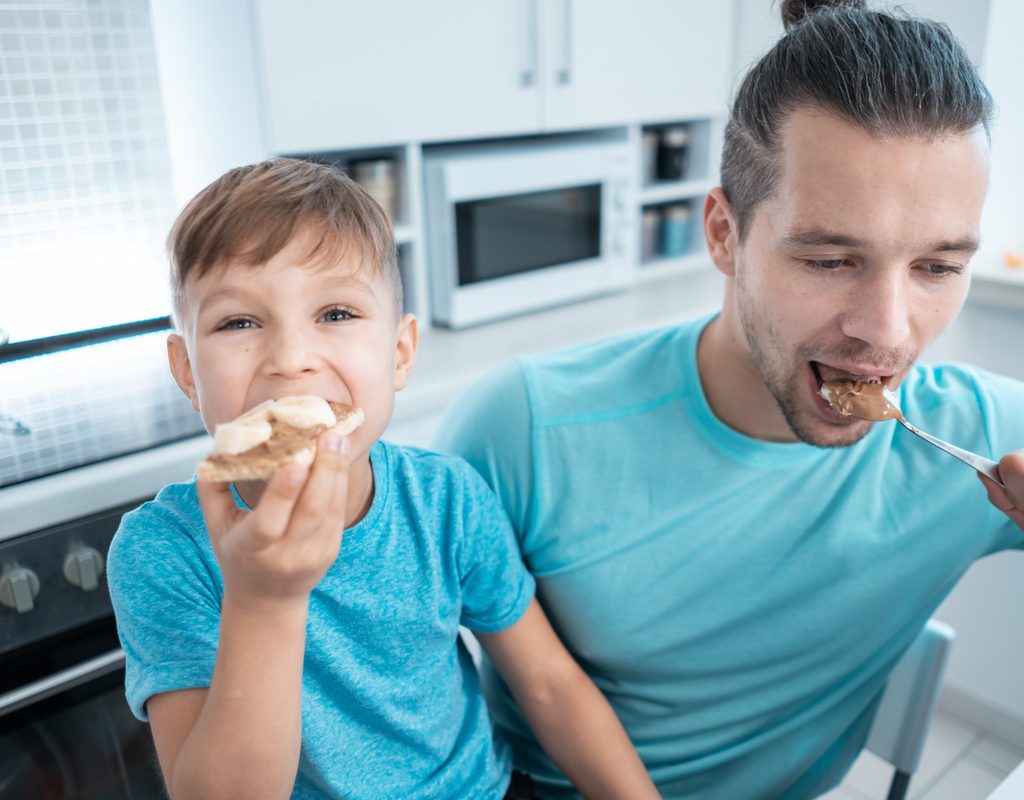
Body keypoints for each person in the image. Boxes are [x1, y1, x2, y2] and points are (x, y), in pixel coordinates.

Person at [434, 1, 1024, 798]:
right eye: (828, 260)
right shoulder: (523, 429)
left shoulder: (985, 442)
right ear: (723, 233)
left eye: (937, 267)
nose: (887, 330)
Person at [106, 158, 660, 800]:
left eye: (336, 313)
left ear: (399, 354)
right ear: (186, 373)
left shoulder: (446, 501)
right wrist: (265, 601)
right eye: (238, 323)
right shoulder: (163, 552)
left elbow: (549, 684)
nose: (291, 361)